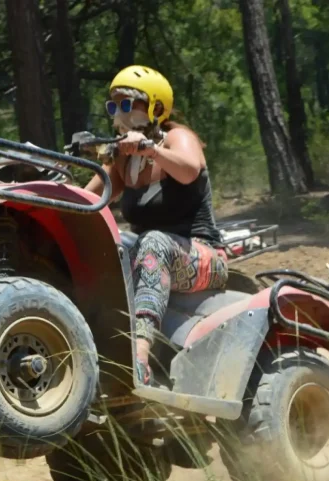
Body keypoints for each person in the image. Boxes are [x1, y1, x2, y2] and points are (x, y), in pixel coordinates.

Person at [84, 65, 228, 390]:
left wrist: (151, 149)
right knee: (110, 241)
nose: (117, 113)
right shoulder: (123, 159)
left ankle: (139, 357)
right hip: (155, 251)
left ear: (155, 107)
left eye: (125, 105)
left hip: (204, 255)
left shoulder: (179, 138)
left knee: (153, 242)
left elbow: (190, 170)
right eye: (112, 106)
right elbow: (88, 198)